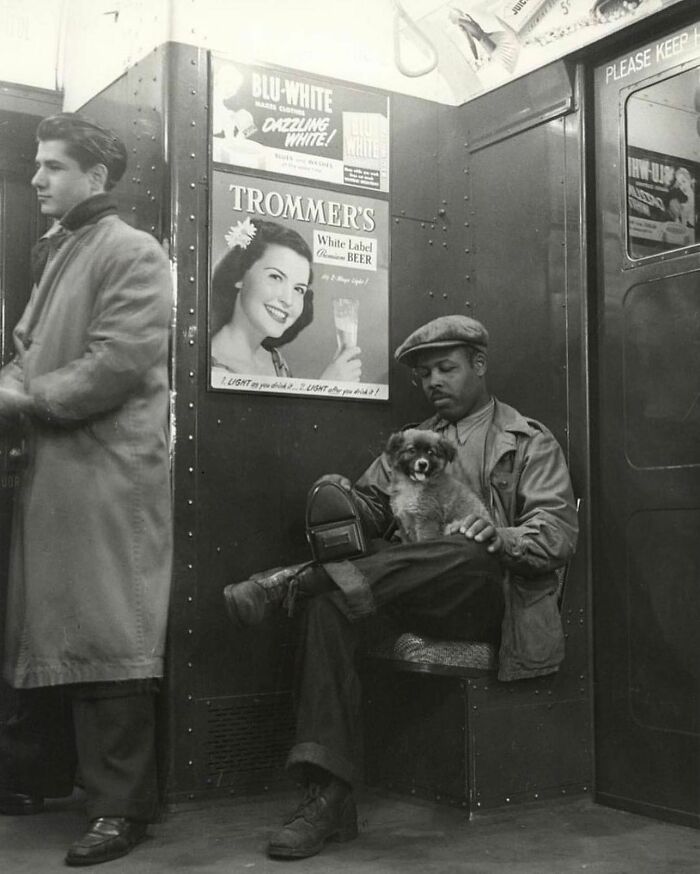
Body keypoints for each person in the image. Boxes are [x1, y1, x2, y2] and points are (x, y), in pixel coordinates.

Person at [223, 313, 578, 860]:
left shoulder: (527, 441)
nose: (433, 381)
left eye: (445, 368)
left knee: (465, 545)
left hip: (486, 601)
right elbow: (366, 511)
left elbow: (556, 536)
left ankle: (296, 580)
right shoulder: (413, 444)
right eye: (424, 375)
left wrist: (501, 534)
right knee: (330, 608)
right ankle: (329, 798)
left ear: (479, 366)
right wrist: (350, 503)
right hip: (405, 594)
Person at [0, 113, 172, 866]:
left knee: (111, 633)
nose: (38, 178)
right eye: (37, 166)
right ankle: (55, 781)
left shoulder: (133, 251)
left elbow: (120, 361)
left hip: (105, 470)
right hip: (64, 467)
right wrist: (12, 386)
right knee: (58, 630)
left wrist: (25, 399)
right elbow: (25, 355)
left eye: (53, 167)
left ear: (96, 178)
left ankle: (121, 807)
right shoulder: (64, 250)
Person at [210, 218, 362, 382]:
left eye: (299, 289)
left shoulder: (274, 360)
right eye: (275, 277)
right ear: (239, 275)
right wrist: (327, 387)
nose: (288, 300)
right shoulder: (212, 369)